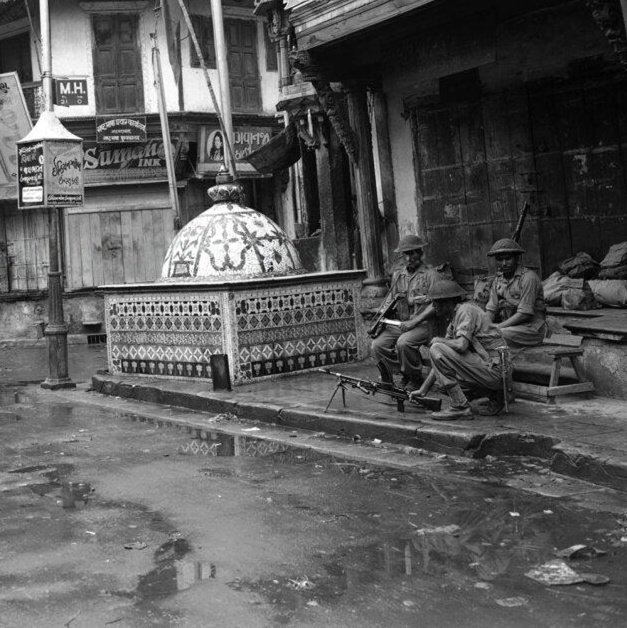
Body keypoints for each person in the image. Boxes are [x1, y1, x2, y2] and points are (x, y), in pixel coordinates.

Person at [411, 280, 510, 420]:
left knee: (437, 347)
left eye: (436, 302)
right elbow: (439, 360)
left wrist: (439, 340)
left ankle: (460, 406)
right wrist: (423, 390)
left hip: (496, 370)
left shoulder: (465, 311)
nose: (434, 307)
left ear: (449, 302)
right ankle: (494, 397)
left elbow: (461, 345)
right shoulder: (454, 318)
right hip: (491, 369)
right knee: (441, 380)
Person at [371, 234, 440, 390]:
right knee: (377, 345)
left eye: (412, 253)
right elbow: (391, 298)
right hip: (401, 323)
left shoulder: (431, 275)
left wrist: (415, 321)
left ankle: (415, 378)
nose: (409, 258)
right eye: (405, 254)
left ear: (420, 253)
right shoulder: (398, 275)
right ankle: (403, 374)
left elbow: (437, 304)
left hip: (424, 324)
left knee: (404, 343)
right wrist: (379, 314)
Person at [485, 238, 547, 348]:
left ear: (517, 258)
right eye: (500, 260)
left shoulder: (529, 278)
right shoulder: (497, 280)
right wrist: (484, 326)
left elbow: (524, 313)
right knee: (481, 334)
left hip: (531, 330)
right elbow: (491, 309)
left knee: (499, 335)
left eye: (508, 259)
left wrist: (498, 327)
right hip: (508, 327)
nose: (504, 263)